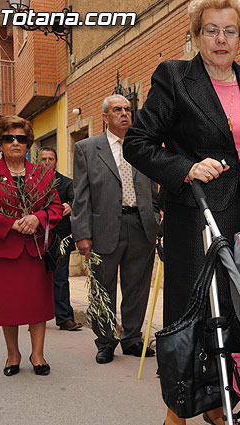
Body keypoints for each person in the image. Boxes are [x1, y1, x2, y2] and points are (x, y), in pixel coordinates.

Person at [123, 0, 240, 423]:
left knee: (237, 312)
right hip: (193, 218)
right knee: (192, 311)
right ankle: (178, 407)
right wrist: (186, 168)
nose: (221, 40)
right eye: (211, 31)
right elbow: (138, 142)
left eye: (230, 31)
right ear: (197, 34)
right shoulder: (175, 78)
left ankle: (223, 401)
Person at [72, 94, 160, 365]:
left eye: (127, 109)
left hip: (141, 225)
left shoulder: (143, 146)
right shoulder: (87, 148)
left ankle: (131, 338)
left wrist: (156, 216)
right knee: (103, 288)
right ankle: (106, 342)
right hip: (104, 228)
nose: (124, 113)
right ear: (105, 117)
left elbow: (154, 186)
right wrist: (82, 234)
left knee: (137, 286)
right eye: (117, 110)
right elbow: (81, 195)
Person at [0, 115, 64, 376]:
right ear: (0, 143)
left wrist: (37, 218)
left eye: (21, 138)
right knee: (7, 305)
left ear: (28, 143)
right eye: (9, 138)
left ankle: (38, 355)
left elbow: (54, 207)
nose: (16, 143)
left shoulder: (43, 174)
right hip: (2, 250)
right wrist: (9, 223)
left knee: (37, 304)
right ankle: (13, 355)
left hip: (35, 251)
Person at [39, 147, 82, 332]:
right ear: (38, 161)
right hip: (37, 238)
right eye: (43, 159)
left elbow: (76, 200)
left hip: (60, 239)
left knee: (61, 278)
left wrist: (71, 205)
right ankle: (36, 317)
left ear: (56, 161)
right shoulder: (32, 183)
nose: (47, 162)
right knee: (38, 280)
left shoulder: (66, 183)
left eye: (50, 159)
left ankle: (64, 319)